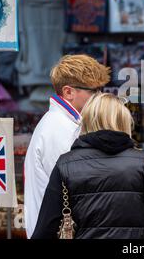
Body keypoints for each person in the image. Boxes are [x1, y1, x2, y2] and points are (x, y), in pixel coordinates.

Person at [32, 93, 144, 239]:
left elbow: (46, 229)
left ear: (88, 120)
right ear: (123, 121)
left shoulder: (66, 164)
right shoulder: (141, 163)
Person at [24, 54, 111, 238]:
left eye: (100, 89)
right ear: (69, 92)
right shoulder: (60, 129)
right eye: (94, 91)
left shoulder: (64, 124)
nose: (100, 96)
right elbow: (81, 187)